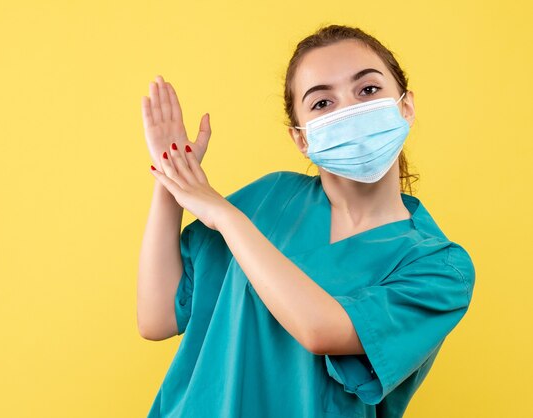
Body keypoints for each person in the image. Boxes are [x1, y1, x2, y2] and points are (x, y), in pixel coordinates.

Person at [137, 24, 475, 418]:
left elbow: (321, 330)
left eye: (367, 90)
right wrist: (172, 177)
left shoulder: (439, 269)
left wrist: (225, 216)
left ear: (406, 106)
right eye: (322, 103)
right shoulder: (270, 198)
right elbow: (157, 318)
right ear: (301, 138)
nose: (347, 109)